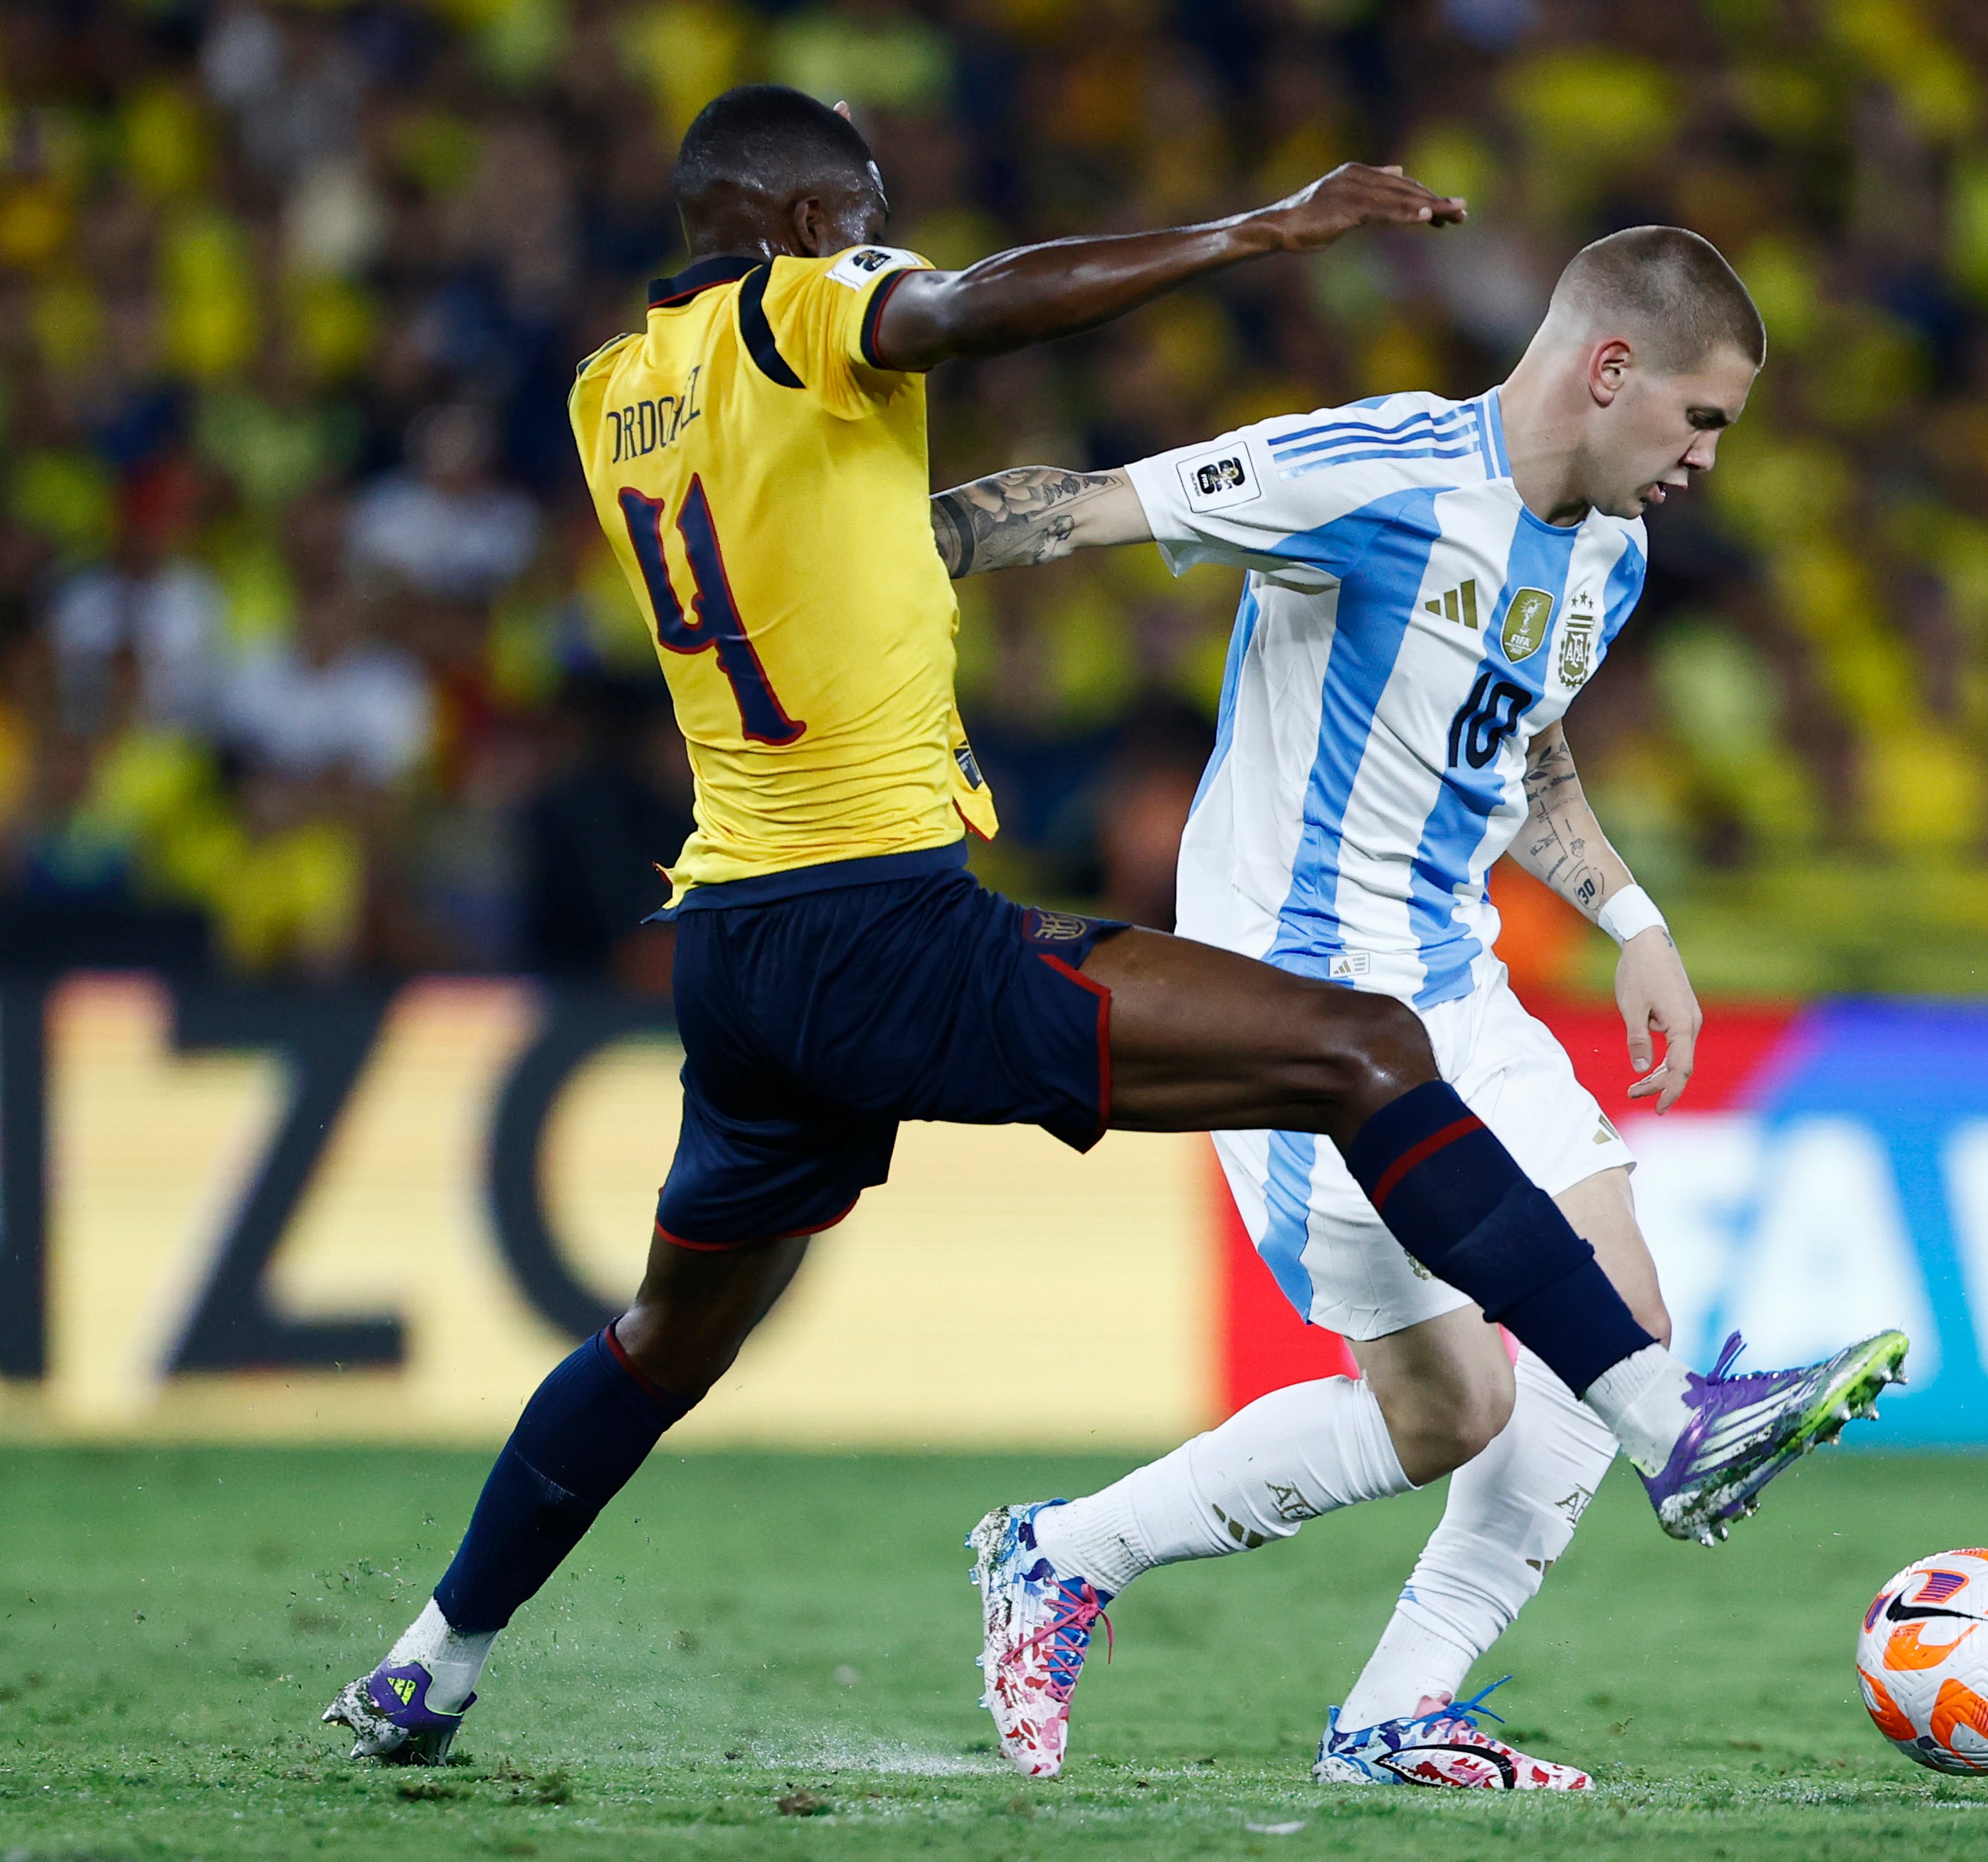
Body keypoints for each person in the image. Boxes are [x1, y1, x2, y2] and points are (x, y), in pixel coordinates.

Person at [322, 85, 1902, 1768]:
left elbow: (1508, 725)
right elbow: (955, 315)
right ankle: (1645, 1428)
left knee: (663, 1340)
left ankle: (434, 1654)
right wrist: (1249, 232)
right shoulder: (813, 309)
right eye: (855, 217)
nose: (875, 244)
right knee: (1366, 1060)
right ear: (800, 228)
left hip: (741, 928)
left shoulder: (607, 394)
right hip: (881, 921)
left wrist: (1626, 908)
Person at [932, 226, 1908, 1787]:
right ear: (1610, 371)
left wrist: (1630, 914)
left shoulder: (1611, 549)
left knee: (1619, 1315)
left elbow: (1514, 742)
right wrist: (821, 571)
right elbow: (1080, 512)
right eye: (1702, 419)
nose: (1706, 460)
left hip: (1459, 979)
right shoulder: (1373, 471)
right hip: (1292, 1011)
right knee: (1453, 1402)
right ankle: (1061, 1554)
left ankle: (1396, 1714)